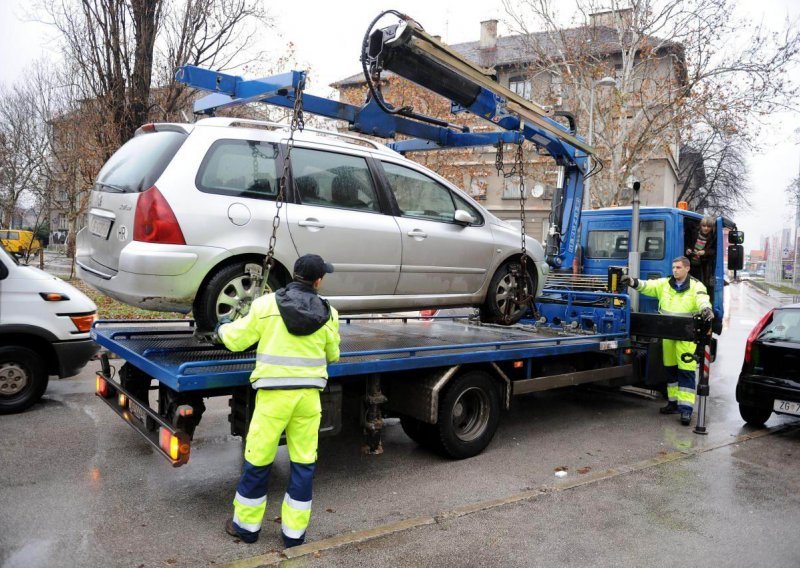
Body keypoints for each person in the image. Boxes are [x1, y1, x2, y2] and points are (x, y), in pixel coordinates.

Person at [216, 253, 340, 548]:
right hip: (308, 399)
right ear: (318, 281)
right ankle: (293, 535)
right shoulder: (329, 313)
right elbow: (333, 355)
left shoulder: (265, 305)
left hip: (273, 400)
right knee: (303, 463)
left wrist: (222, 327)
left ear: (294, 274)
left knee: (258, 461)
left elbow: (236, 340)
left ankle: (246, 528)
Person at [621, 257, 714, 426]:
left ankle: (686, 410)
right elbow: (647, 286)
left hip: (686, 335)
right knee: (670, 370)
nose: (675, 270)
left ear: (687, 268)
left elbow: (702, 299)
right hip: (668, 334)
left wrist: (706, 309)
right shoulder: (664, 284)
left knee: (686, 372)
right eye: (673, 267)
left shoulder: (696, 286)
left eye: (678, 267)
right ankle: (673, 403)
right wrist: (632, 282)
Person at [685, 216, 716, 298]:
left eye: (708, 226)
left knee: (699, 285)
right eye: (704, 226)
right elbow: (687, 243)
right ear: (701, 225)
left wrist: (704, 252)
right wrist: (688, 249)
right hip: (689, 264)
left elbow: (713, 250)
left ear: (712, 228)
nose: (706, 228)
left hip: (701, 266)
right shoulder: (694, 233)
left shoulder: (712, 238)